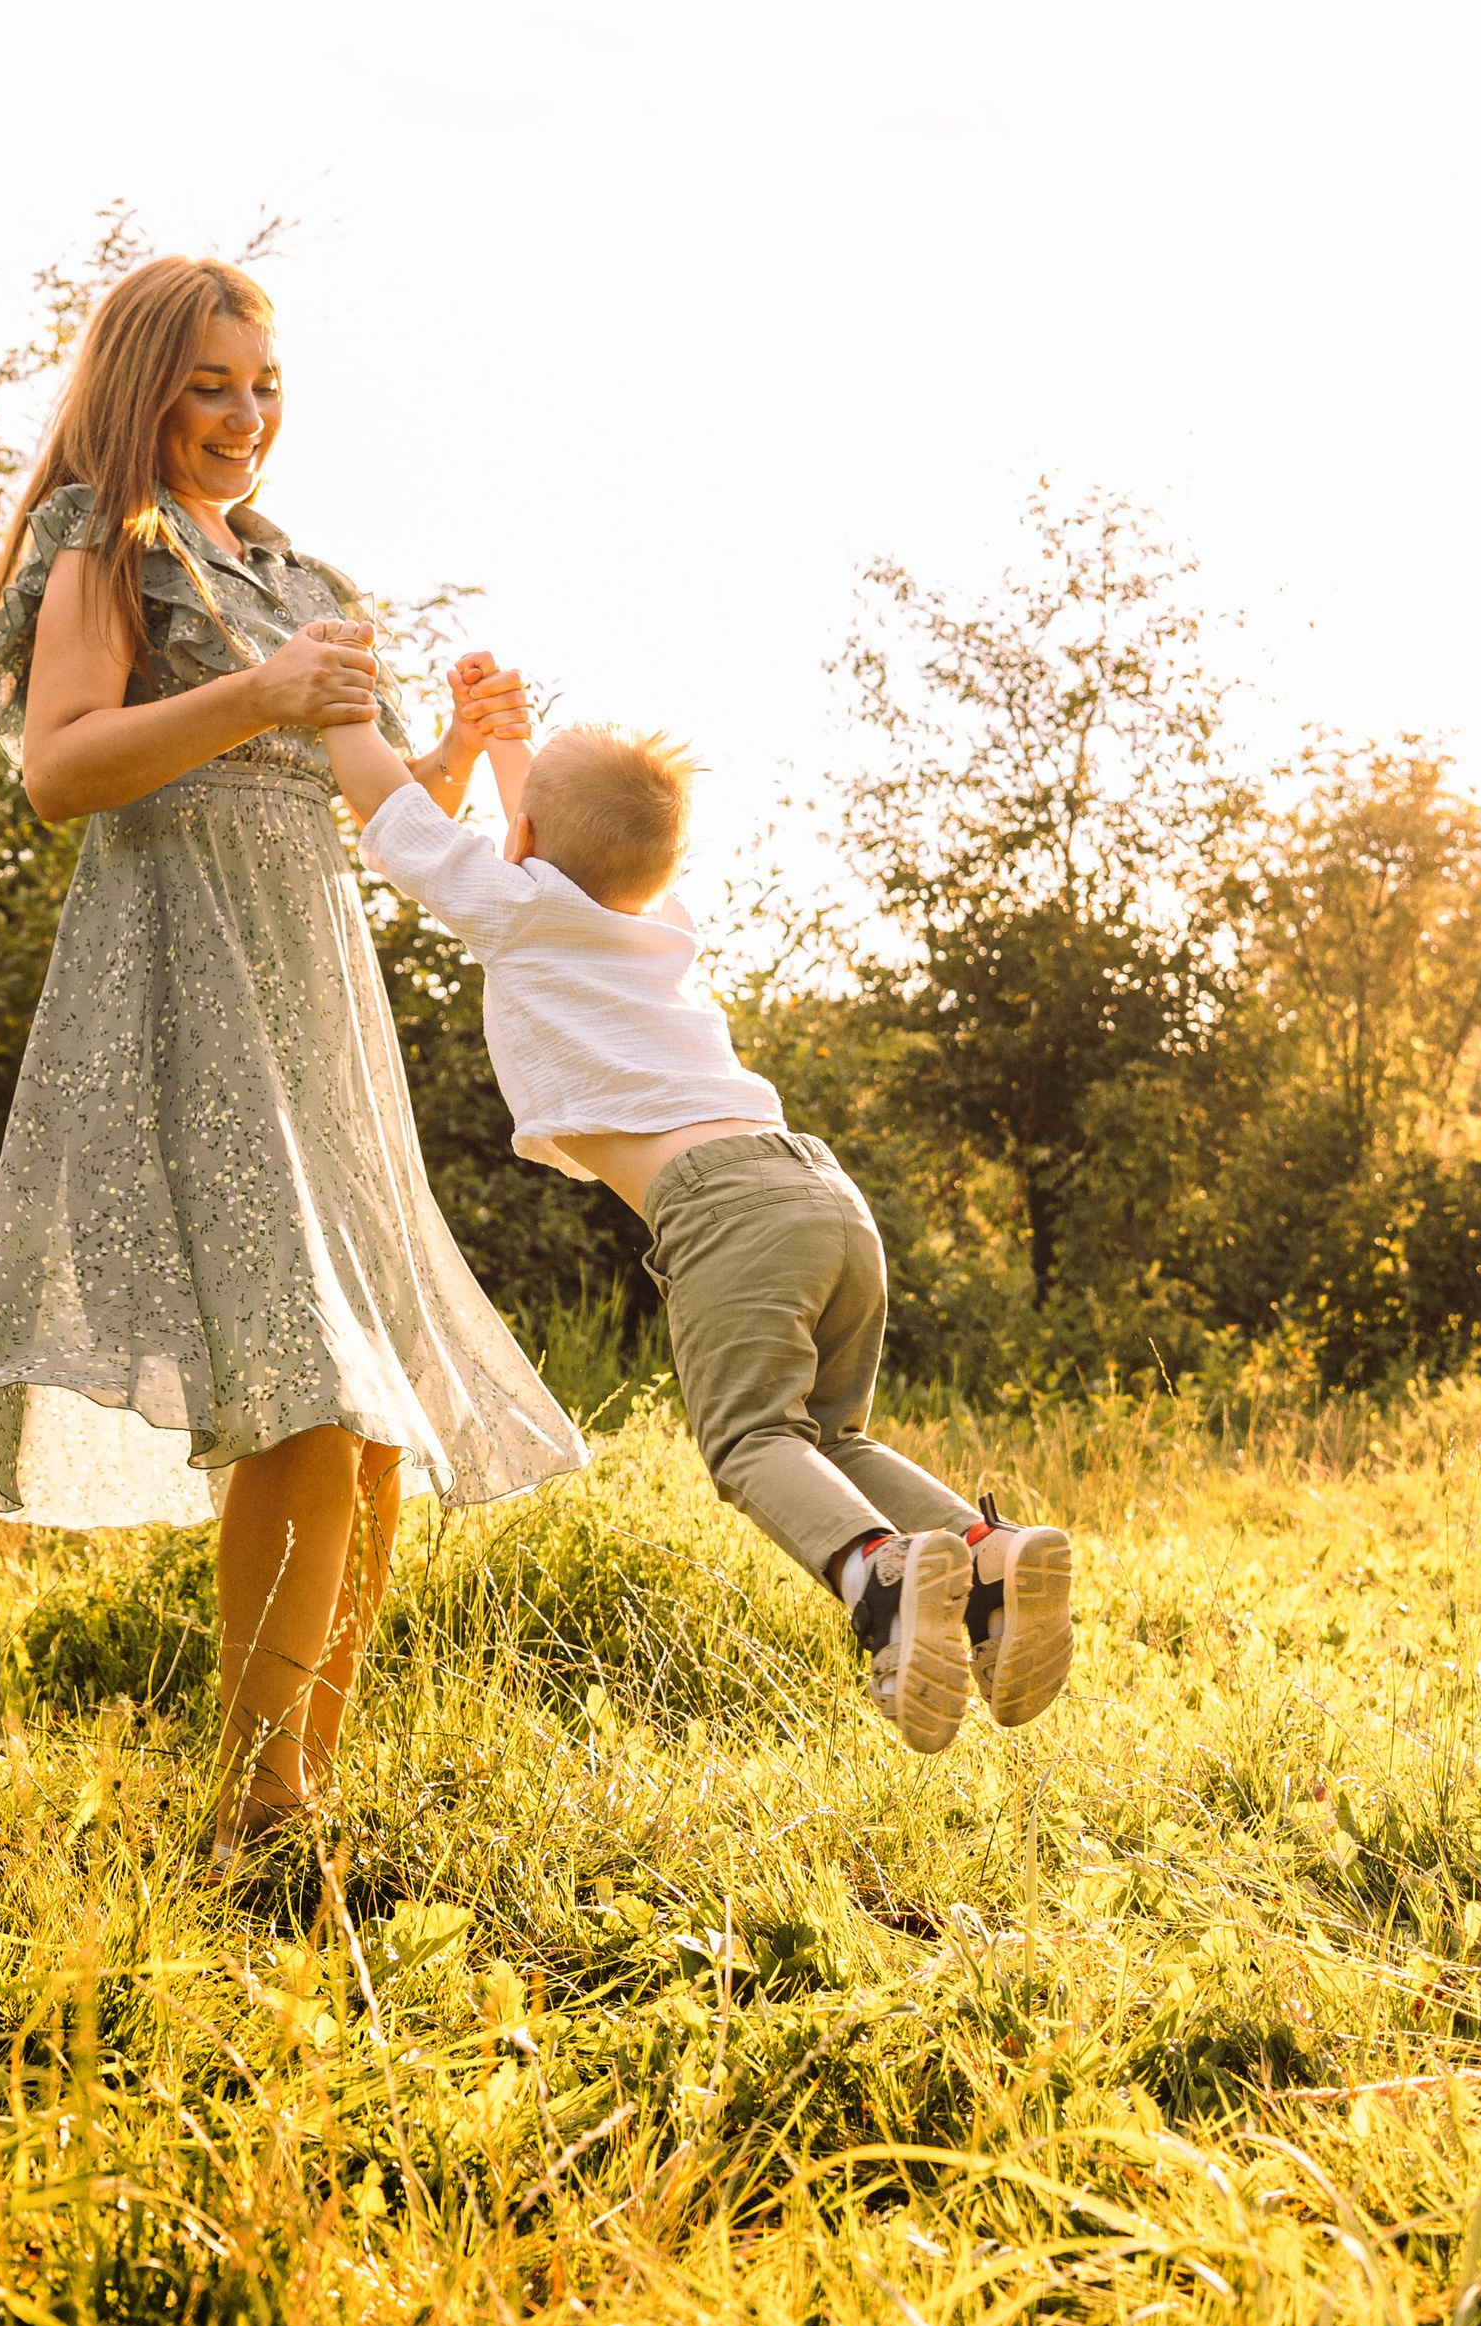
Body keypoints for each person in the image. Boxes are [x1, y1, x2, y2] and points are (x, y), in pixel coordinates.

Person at [0, 255, 584, 1854]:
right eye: (208, 385)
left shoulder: (304, 577)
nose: (244, 417)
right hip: (178, 972)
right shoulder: (105, 552)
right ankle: (257, 1806)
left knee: (370, 1413)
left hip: (315, 980)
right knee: (302, 1393)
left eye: (263, 387)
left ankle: (302, 1798)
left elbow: (387, 815)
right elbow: (61, 770)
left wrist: (462, 745)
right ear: (139, 391)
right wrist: (259, 690)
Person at [323, 700, 1074, 1750]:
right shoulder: (654, 917)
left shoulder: (518, 905)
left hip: (723, 1209)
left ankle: (881, 1579)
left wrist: (331, 706)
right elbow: (566, 838)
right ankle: (981, 1552)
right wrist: (506, 738)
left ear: (522, 838)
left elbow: (395, 808)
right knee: (829, 1433)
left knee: (750, 1442)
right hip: (819, 1189)